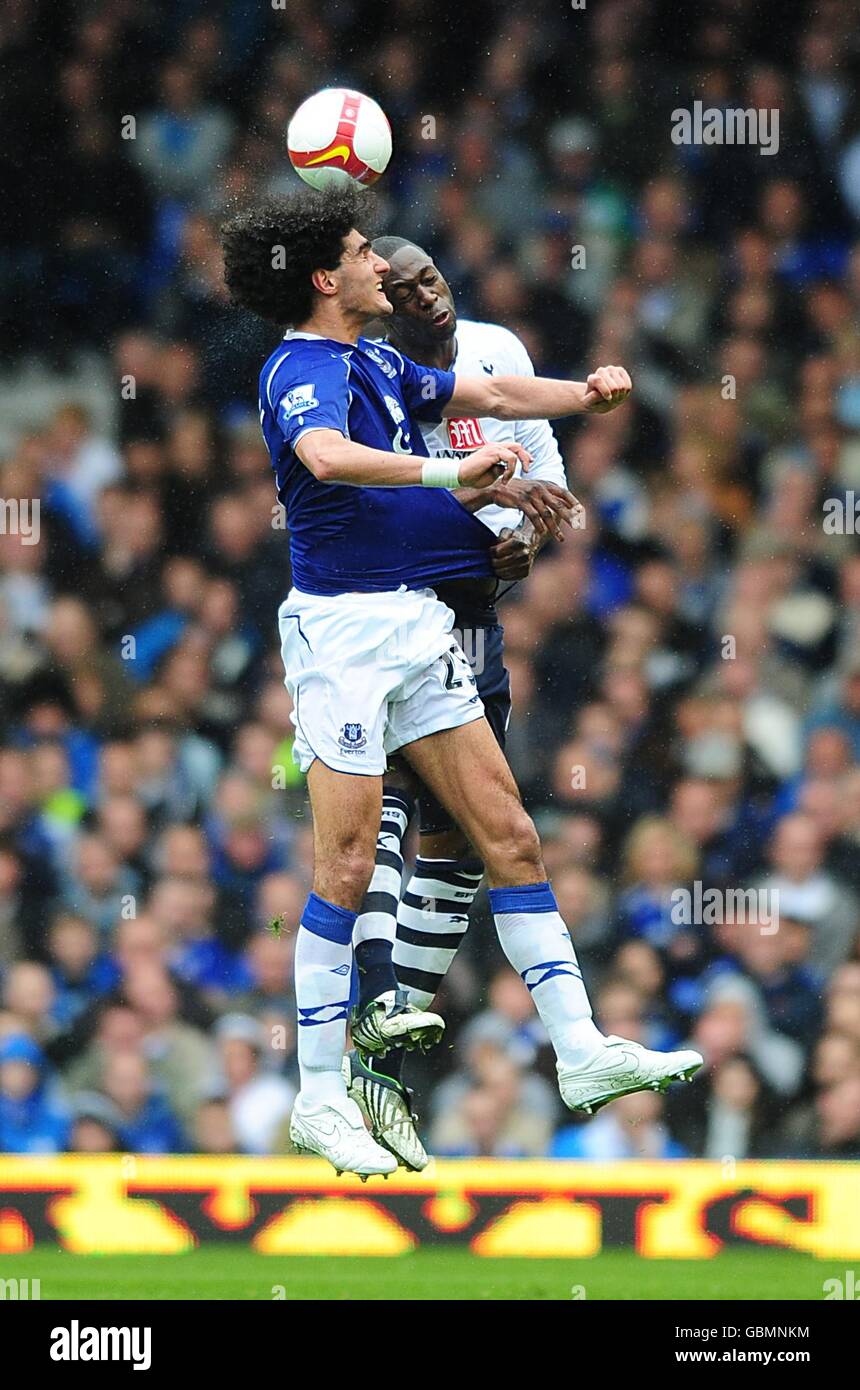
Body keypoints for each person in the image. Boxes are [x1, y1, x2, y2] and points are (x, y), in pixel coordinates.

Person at [222, 184, 700, 1179]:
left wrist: (584, 394)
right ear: (325, 277)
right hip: (344, 637)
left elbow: (486, 397)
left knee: (511, 836)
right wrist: (449, 481)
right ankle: (318, 1095)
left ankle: (579, 1050)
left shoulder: (377, 361)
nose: (378, 265)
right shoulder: (298, 368)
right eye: (362, 252)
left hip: (417, 625)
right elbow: (325, 455)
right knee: (345, 868)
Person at [344, 235, 584, 1169]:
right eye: (402, 291)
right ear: (382, 306)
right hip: (394, 618)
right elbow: (377, 498)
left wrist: (531, 527)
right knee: (392, 805)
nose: (426, 298)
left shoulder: (500, 354)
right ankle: (373, 1010)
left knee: (466, 831)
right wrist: (483, 517)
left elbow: (545, 465)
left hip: (475, 620)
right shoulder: (375, 382)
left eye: (432, 278)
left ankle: (393, 1033)